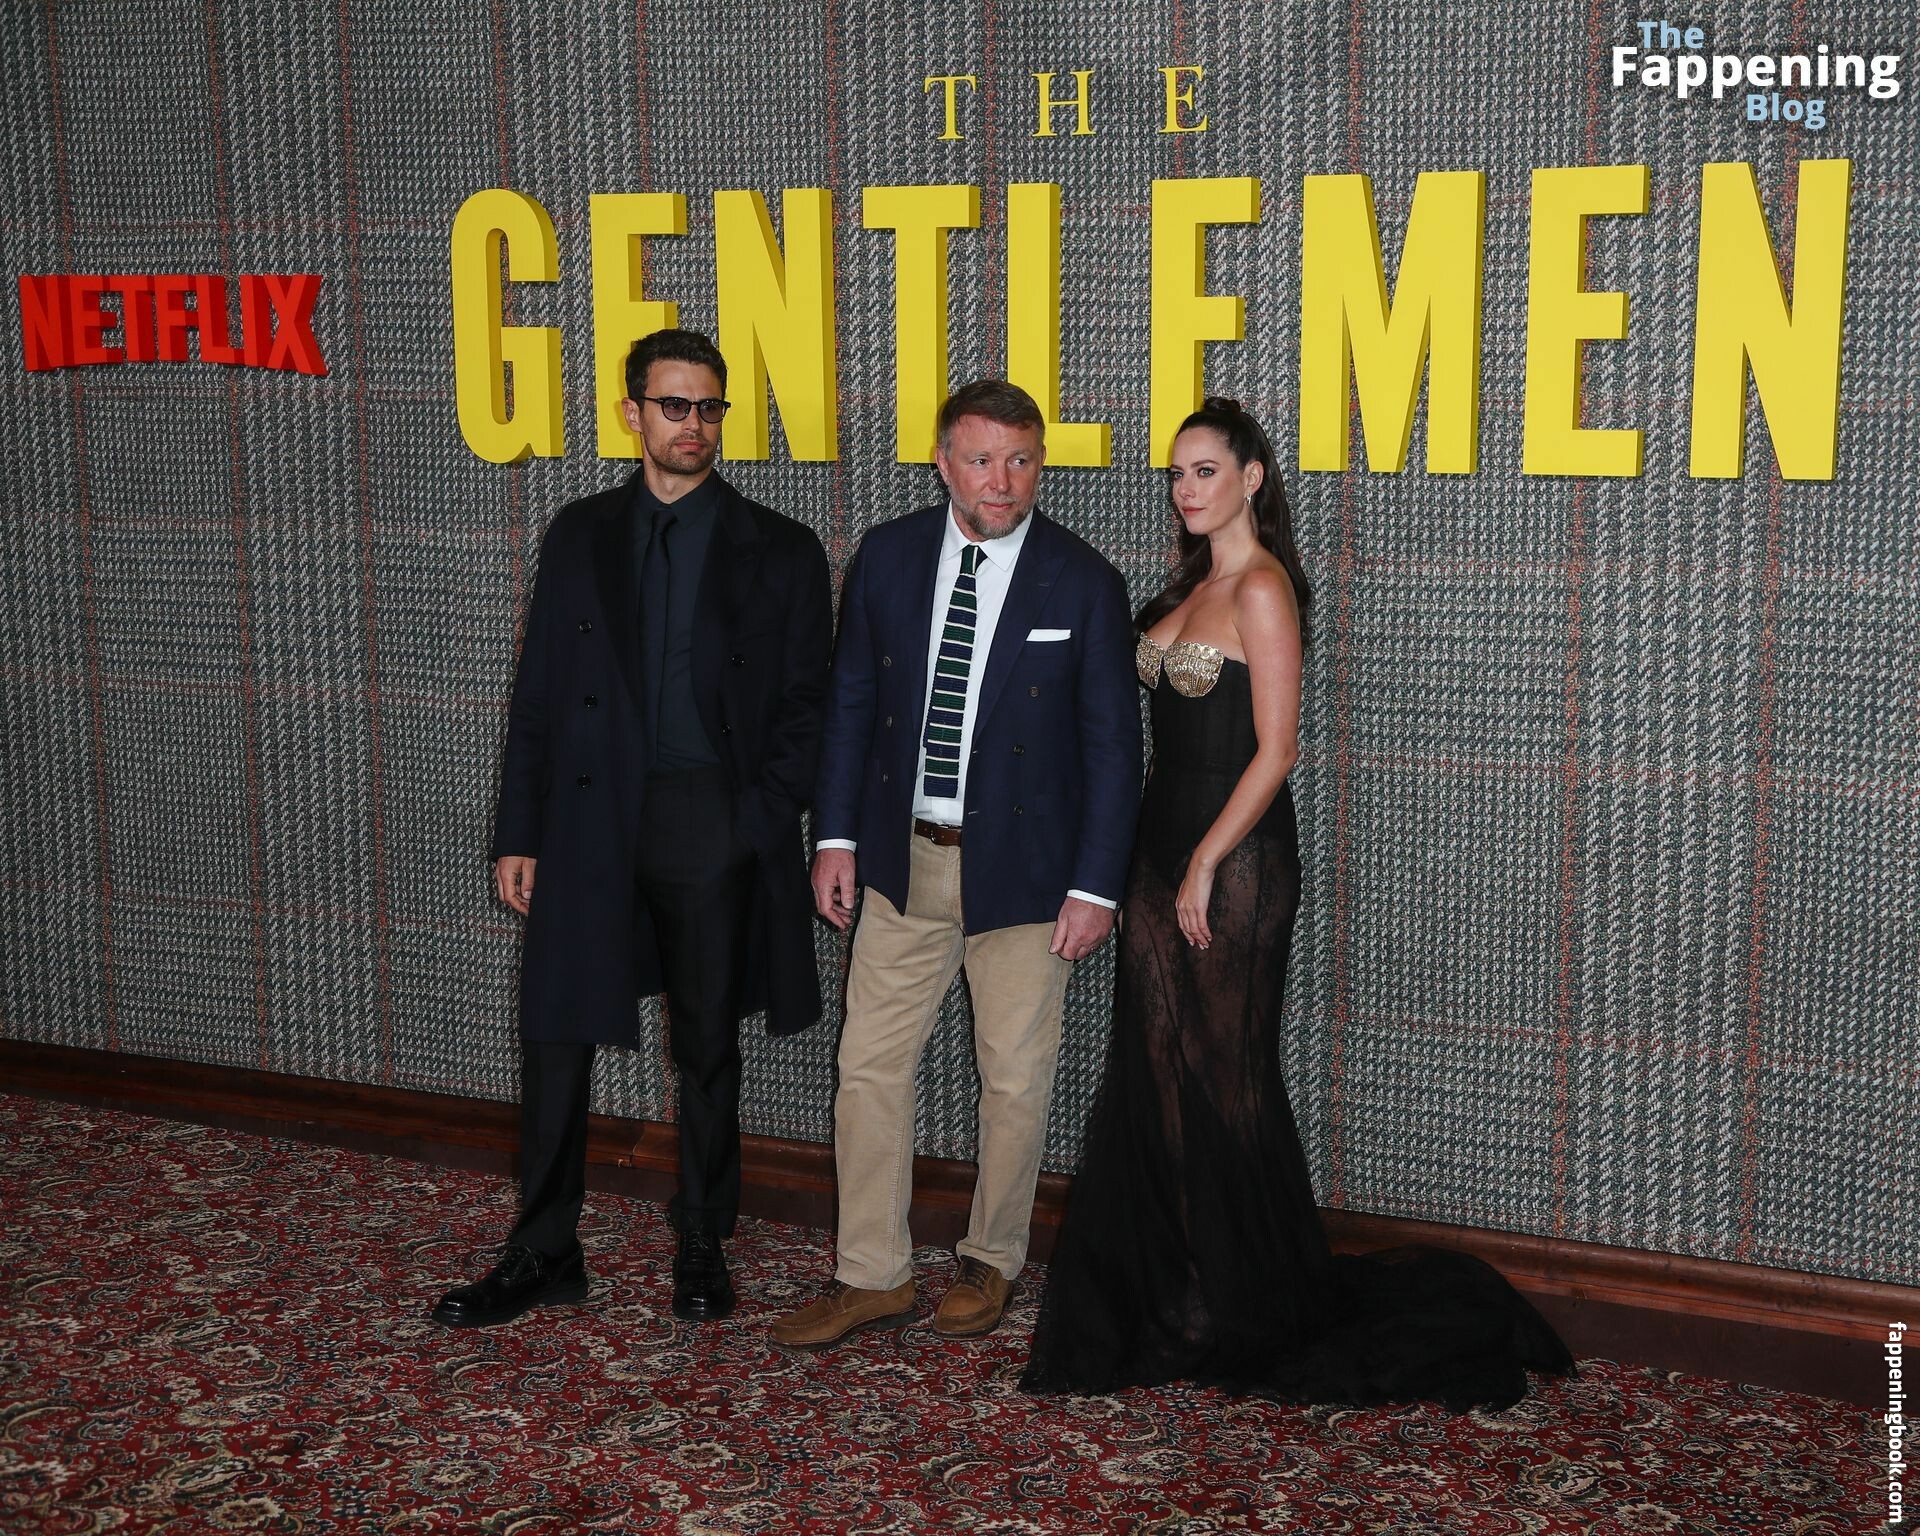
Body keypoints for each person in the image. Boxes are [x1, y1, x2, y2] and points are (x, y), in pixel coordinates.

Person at [1021, 398, 1574, 1410]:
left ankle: (1243, 1298)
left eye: (1205, 471)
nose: (1186, 490)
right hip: (1158, 852)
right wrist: (1151, 861)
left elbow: (1276, 751)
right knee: (1155, 1072)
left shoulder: (1265, 588)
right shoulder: (1191, 585)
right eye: (1177, 474)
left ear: (1252, 478)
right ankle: (1186, 1294)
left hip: (1235, 865)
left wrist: (1204, 863)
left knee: (1224, 1077)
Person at [432, 328, 833, 1329]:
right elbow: (539, 691)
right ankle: (543, 1249)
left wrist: (751, 822)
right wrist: (517, 830)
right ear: (632, 413)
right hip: (585, 814)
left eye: (709, 408)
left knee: (704, 1044)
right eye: (674, 405)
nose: (693, 424)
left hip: (708, 816)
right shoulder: (579, 533)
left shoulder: (781, 549)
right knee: (555, 1033)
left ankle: (703, 1237)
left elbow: (808, 712)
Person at [770, 380, 1143, 1350]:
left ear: (1040, 464)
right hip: (902, 861)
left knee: (1014, 1077)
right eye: (980, 460)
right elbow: (852, 702)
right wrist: (835, 838)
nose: (1001, 482)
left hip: (1027, 873)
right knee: (867, 1068)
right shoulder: (889, 556)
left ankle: (992, 1258)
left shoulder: (1084, 580)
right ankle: (871, 1274)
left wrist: (1095, 887)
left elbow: (1114, 749)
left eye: (1020, 460)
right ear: (943, 463)